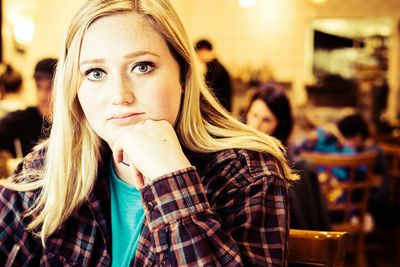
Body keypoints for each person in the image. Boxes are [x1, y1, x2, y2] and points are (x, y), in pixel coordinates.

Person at [0, 1, 297, 266]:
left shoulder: (246, 174)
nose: (120, 95)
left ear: (183, 74)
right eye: (95, 73)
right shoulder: (48, 167)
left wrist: (173, 181)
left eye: (142, 67)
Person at [244, 84, 330, 230]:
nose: (255, 126)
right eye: (254, 115)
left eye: (266, 120)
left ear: (279, 125)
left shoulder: (284, 162)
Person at [0, 58, 56, 157]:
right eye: (39, 87)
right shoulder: (21, 119)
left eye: (49, 87)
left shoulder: (72, 123)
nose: (43, 96)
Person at [195, 39, 233, 112]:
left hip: (219, 110)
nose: (198, 57)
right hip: (221, 109)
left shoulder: (215, 69)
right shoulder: (215, 66)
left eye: (199, 53)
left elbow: (210, 93)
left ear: (204, 51)